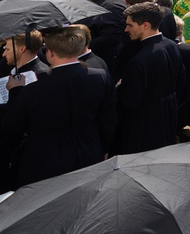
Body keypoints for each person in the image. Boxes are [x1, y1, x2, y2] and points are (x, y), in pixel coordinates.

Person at [0, 27, 115, 188]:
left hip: (45, 159)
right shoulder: (101, 77)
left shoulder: (33, 89)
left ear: (51, 53)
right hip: (89, 151)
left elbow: (12, 127)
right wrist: (103, 148)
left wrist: (15, 91)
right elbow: (108, 119)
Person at [113, 2, 182, 154]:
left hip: (145, 122)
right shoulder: (171, 46)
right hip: (168, 114)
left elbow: (130, 100)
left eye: (130, 25)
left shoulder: (139, 60)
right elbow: (180, 79)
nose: (126, 29)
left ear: (145, 25)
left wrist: (119, 88)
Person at [75, 0, 128, 69]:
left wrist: (77, 45)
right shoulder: (105, 1)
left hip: (103, 64)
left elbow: (112, 38)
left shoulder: (112, 6)